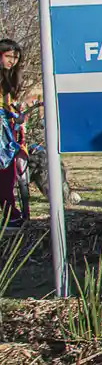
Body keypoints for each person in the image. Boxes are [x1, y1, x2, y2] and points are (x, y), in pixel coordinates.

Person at [0, 39, 31, 230]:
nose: (12, 61)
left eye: (16, 57)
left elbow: (9, 104)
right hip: (3, 129)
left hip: (8, 129)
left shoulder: (8, 78)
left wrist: (16, 114)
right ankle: (10, 214)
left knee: (9, 172)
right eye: (8, 56)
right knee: (4, 171)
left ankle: (11, 213)